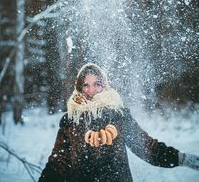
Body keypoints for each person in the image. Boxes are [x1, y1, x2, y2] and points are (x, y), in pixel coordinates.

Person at [39, 63, 199, 182]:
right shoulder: (70, 120)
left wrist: (181, 159)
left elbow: (147, 147)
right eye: (86, 85)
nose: (91, 90)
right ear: (79, 88)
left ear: (104, 86)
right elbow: (58, 162)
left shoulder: (118, 115)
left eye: (97, 84)